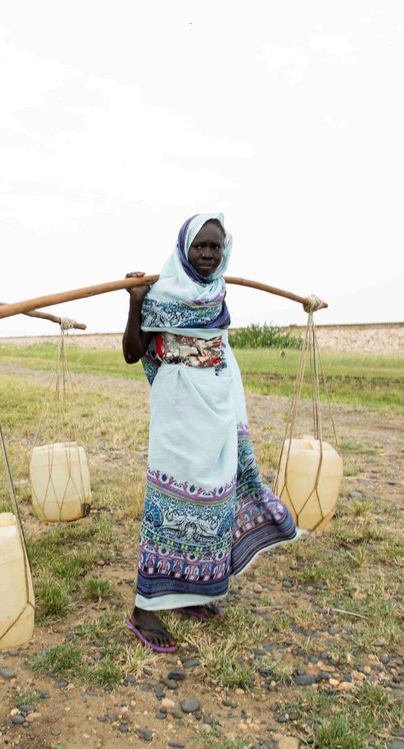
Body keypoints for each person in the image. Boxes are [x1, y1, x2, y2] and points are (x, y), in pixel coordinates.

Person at [122, 213, 299, 652]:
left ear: (226, 250)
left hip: (218, 408)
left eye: (214, 247)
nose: (206, 254)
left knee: (213, 500)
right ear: (183, 248)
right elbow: (131, 354)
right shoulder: (160, 291)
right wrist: (135, 302)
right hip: (178, 412)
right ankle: (145, 609)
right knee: (171, 503)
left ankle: (191, 594)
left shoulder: (217, 292)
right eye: (199, 246)